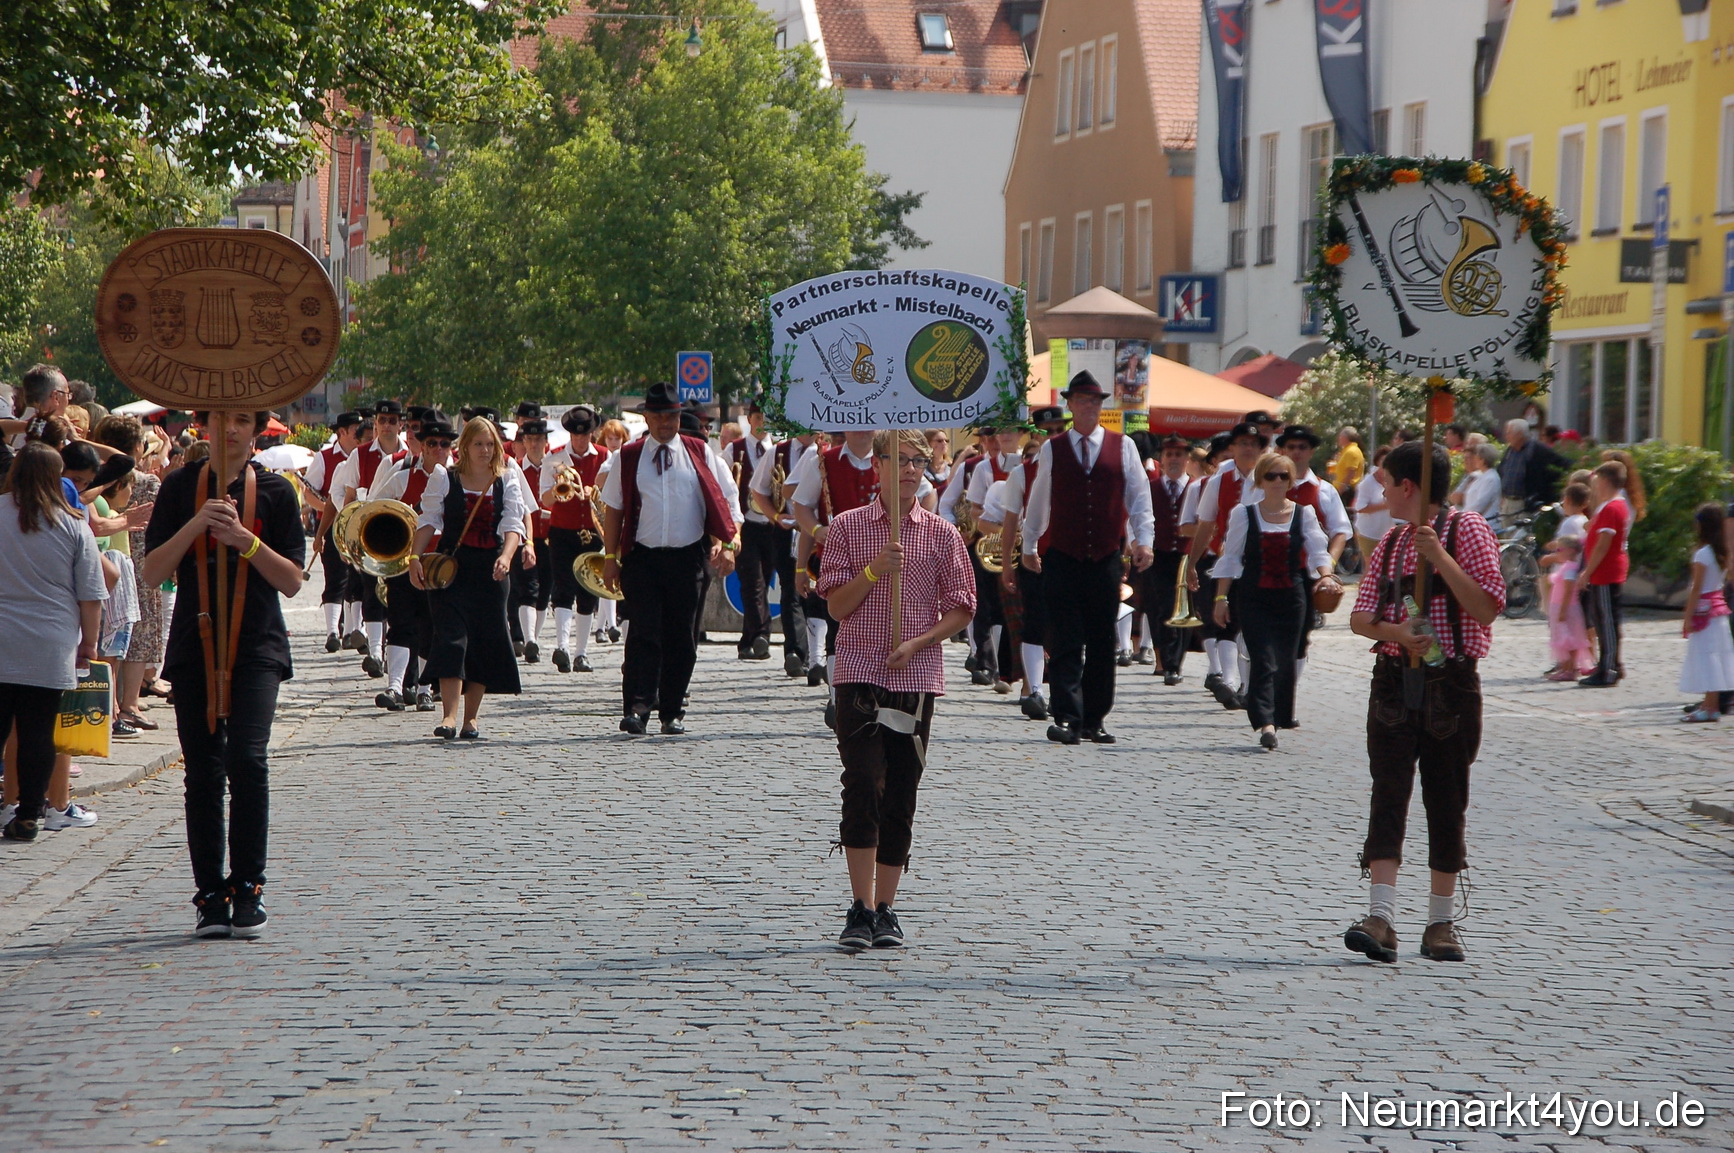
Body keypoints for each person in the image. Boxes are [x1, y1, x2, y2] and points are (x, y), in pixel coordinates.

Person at [141, 411, 307, 939]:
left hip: (257, 640)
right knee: (204, 772)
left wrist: (244, 539)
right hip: (195, 640)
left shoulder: (279, 492)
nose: (228, 429)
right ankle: (210, 893)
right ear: (203, 426)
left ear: (255, 429)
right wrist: (198, 523)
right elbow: (151, 572)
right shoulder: (180, 486)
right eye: (218, 419)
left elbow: (294, 582)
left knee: (248, 759)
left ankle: (249, 887)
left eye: (239, 420)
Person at [1344, 441, 1503, 965]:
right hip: (1394, 679)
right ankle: (1381, 916)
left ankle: (1440, 923)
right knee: (1387, 792)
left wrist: (1440, 558)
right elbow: (1361, 616)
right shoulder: (1390, 540)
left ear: (1408, 486)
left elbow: (1485, 607)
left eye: (1386, 482)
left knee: (1446, 798)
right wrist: (1396, 631)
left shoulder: (1468, 530)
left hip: (1450, 684)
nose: (1382, 491)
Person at [818, 429, 976, 949]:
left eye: (917, 461)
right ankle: (859, 906)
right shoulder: (846, 528)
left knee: (901, 790)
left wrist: (921, 641)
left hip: (916, 676)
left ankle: (887, 907)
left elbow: (962, 606)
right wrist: (873, 569)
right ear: (878, 465)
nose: (910, 470)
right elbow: (837, 608)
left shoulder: (941, 534)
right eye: (899, 460)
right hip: (860, 672)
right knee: (863, 781)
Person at [1020, 372, 1155, 745]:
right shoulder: (1053, 448)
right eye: (1081, 400)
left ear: (1101, 407)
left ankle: (1094, 718)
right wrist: (1030, 544)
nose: (1089, 407)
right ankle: (1066, 715)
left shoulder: (1123, 445)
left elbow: (1139, 497)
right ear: (1071, 405)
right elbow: (1040, 498)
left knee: (1100, 639)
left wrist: (1144, 541)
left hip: (1106, 556)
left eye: (1095, 401)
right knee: (1065, 637)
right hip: (1063, 554)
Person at [601, 382, 740, 736]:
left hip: (687, 558)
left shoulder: (701, 453)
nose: (665, 423)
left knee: (682, 638)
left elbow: (729, 502)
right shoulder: (628, 457)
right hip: (643, 558)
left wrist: (728, 544)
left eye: (672, 416)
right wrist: (611, 556)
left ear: (680, 417)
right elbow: (614, 509)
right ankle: (637, 708)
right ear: (646, 417)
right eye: (658, 416)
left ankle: (673, 710)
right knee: (643, 635)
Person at [0, 443, 108, 843]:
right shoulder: (73, 524)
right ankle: (30, 812)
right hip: (49, 641)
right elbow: (91, 593)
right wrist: (90, 644)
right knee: (38, 731)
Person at [407, 417, 524, 739]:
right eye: (478, 444)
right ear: (465, 447)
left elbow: (514, 525)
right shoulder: (446, 478)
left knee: (484, 641)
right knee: (451, 638)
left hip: (491, 569)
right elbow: (428, 519)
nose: (485, 451)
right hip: (452, 570)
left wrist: (506, 556)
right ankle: (448, 716)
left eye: (490, 444)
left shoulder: (507, 480)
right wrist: (414, 557)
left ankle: (471, 718)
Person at [1211, 452, 1333, 750]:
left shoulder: (1304, 513)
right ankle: (1265, 722)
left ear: (1291, 480)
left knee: (1286, 660)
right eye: (1271, 476)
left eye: (1283, 476)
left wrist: (1327, 576)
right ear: (1260, 480)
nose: (1277, 481)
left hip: (1293, 597)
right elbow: (1231, 558)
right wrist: (1221, 597)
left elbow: (1318, 551)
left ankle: (1279, 716)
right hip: (1254, 596)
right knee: (1263, 658)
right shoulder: (1244, 513)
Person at [371, 419, 453, 711]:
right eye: (432, 443)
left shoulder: (457, 478)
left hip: (441, 564)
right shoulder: (402, 476)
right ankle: (394, 686)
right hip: (405, 561)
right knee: (401, 622)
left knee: (432, 625)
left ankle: (425, 688)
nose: (439, 449)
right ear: (422, 446)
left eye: (445, 444)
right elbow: (375, 508)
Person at [1186, 422, 1267, 709]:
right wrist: (1192, 562)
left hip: (1263, 561)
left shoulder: (1273, 475)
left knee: (1253, 624)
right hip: (1228, 559)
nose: (1248, 448)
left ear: (1261, 449)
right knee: (1225, 620)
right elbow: (1206, 523)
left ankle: (1246, 685)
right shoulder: (1219, 480)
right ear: (1231, 448)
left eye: (1253, 444)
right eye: (1242, 443)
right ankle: (1231, 681)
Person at [335, 400, 410, 676]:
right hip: (372, 534)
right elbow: (350, 498)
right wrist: (346, 540)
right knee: (371, 592)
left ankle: (396, 655)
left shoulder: (411, 452)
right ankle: (376, 653)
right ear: (375, 423)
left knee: (400, 598)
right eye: (382, 420)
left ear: (400, 424)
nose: (387, 425)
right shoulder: (361, 454)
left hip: (405, 533)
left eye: (392, 420)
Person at [539, 406, 613, 673]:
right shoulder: (554, 458)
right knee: (563, 587)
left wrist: (595, 491)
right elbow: (544, 498)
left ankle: (582, 652)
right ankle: (562, 647)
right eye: (576, 435)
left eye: (586, 435)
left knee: (589, 591)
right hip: (562, 530)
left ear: (593, 433)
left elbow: (613, 495)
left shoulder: (605, 457)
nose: (581, 440)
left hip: (593, 531)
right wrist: (561, 491)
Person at [750, 429, 818, 678]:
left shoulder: (826, 447)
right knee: (791, 588)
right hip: (788, 530)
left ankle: (817, 652)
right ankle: (795, 652)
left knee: (820, 592)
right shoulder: (777, 452)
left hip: (820, 528)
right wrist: (776, 516)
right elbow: (758, 489)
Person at [303, 411, 363, 652]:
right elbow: (309, 492)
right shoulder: (324, 457)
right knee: (336, 578)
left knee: (358, 580)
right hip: (331, 525)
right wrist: (330, 510)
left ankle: (351, 630)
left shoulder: (363, 456)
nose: (359, 435)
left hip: (359, 527)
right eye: (354, 430)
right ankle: (332, 632)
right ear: (341, 433)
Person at [1141, 434, 1194, 686]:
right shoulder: (1150, 487)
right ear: (1161, 459)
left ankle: (1175, 663)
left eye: (1179, 455)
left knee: (1184, 608)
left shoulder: (1196, 487)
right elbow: (1139, 517)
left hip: (1187, 555)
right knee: (1163, 607)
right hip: (1159, 554)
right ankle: (1166, 660)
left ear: (1187, 459)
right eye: (1169, 454)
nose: (1174, 459)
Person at [728, 401, 778, 662]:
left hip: (771, 525)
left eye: (766, 417)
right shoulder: (733, 449)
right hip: (744, 525)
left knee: (765, 579)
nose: (762, 422)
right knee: (752, 583)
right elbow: (724, 487)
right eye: (758, 416)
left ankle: (747, 640)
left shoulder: (778, 449)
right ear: (749, 419)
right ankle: (762, 635)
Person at [1576, 460, 1631, 688]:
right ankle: (1607, 663)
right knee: (1600, 619)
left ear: (1606, 480)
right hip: (1603, 571)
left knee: (1606, 621)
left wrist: (1587, 572)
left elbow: (1603, 544)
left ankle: (1609, 667)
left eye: (1597, 478)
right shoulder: (1608, 506)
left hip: (1605, 571)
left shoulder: (1612, 507)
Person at [1680, 504, 1734, 722]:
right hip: (1718, 607)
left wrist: (1687, 616)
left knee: (1706, 657)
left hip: (1704, 610)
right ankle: (1708, 703)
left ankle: (1710, 707)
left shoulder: (1702, 554)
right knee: (1716, 656)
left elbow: (1696, 587)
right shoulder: (1721, 552)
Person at [509, 418, 554, 662]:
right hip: (524, 536)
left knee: (545, 589)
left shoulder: (557, 468)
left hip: (550, 536)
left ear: (546, 442)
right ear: (524, 442)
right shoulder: (515, 468)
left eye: (539, 439)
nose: (535, 444)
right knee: (525, 587)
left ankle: (531, 638)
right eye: (530, 439)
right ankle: (528, 639)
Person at [1541, 534, 1593, 682]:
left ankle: (1570, 669)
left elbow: (1569, 591)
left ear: (1569, 551)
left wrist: (1563, 611)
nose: (1556, 553)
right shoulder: (1566, 567)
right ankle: (1565, 668)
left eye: (1559, 549)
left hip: (1567, 608)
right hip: (1560, 607)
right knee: (1562, 639)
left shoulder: (1570, 569)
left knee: (1568, 640)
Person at [1496, 418, 1566, 522]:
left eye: (1509, 433)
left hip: (1524, 504)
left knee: (1520, 536)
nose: (1506, 436)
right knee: (1507, 537)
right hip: (1507, 502)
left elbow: (1560, 466)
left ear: (1519, 434)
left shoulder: (1537, 450)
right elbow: (1502, 470)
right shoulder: (1510, 451)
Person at [1352, 445, 1395, 563]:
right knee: (1370, 568)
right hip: (1368, 532)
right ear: (1377, 462)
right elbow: (1360, 507)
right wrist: (1385, 505)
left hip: (1387, 532)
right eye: (1383, 461)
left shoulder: (1394, 480)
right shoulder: (1367, 482)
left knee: (1384, 568)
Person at [1330, 426, 1365, 499]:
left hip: (1346, 491)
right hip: (1338, 490)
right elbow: (1332, 471)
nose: (1338, 439)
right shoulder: (1345, 451)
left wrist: (1340, 490)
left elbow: (1351, 473)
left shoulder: (1351, 451)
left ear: (1345, 437)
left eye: (1340, 436)